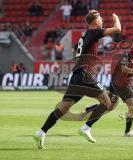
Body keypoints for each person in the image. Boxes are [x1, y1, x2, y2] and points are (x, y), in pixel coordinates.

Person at [33, 10, 121, 149]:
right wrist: (116, 17)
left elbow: (74, 51)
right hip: (86, 74)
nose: (102, 21)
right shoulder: (95, 31)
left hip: (76, 75)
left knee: (62, 108)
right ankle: (86, 128)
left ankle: (41, 132)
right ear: (96, 21)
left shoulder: (83, 35)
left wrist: (82, 59)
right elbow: (117, 29)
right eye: (101, 19)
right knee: (108, 102)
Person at [80, 37, 133, 138]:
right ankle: (88, 124)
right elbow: (123, 69)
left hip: (125, 85)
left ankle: (127, 132)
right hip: (116, 83)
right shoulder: (126, 55)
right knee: (114, 106)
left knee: (128, 107)